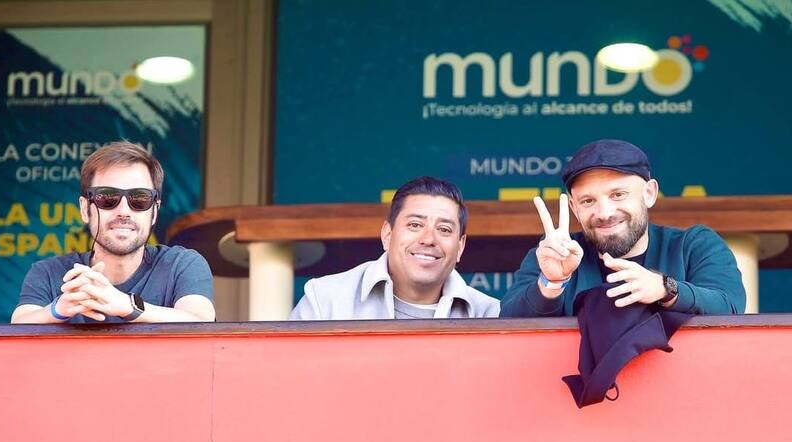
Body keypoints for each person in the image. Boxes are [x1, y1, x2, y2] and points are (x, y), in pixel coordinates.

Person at [500, 139, 746, 317]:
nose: (604, 213)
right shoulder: (553, 256)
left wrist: (665, 289)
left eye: (618, 195)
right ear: (574, 209)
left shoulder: (693, 245)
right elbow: (507, 329)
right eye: (588, 201)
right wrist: (552, 283)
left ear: (649, 194)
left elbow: (730, 307)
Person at [11, 141, 215, 323]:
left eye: (139, 198)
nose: (124, 211)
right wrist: (58, 310)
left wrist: (127, 305)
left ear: (154, 211)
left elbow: (201, 321)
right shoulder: (49, 273)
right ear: (85, 209)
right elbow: (18, 325)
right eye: (107, 197)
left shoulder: (181, 265)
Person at [289, 176, 500, 320]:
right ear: (387, 235)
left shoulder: (490, 314)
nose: (429, 239)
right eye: (415, 225)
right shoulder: (325, 301)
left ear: (461, 246)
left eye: (444, 229)